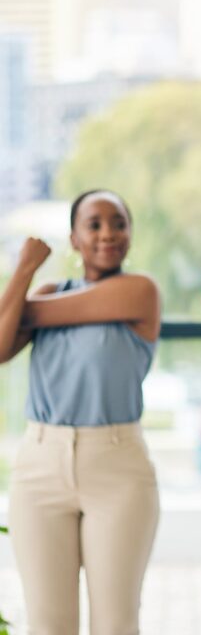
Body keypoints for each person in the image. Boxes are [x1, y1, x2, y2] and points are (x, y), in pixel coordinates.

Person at [0, 189, 161, 635]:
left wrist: (23, 309)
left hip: (117, 468)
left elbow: (18, 319)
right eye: (94, 224)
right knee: (49, 625)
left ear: (129, 234)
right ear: (74, 238)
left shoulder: (139, 292)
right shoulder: (50, 291)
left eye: (118, 223)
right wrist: (25, 268)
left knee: (115, 624)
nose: (108, 233)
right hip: (39, 467)